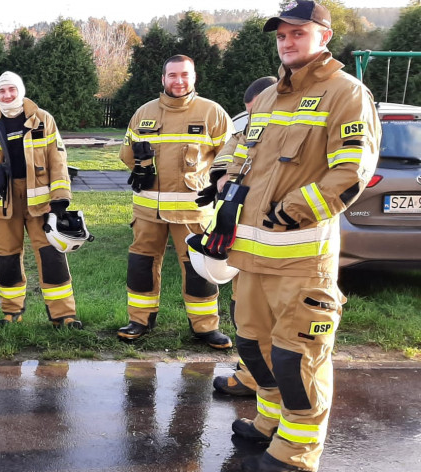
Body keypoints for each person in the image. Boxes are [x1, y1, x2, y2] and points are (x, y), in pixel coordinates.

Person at [205, 2, 379, 470]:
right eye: (281, 35)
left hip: (302, 262)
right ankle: (268, 424)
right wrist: (224, 177)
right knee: (254, 350)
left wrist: (290, 212)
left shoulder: (346, 93)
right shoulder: (267, 98)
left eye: (297, 33)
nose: (286, 42)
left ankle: (297, 452)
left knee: (296, 360)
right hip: (251, 256)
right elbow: (240, 148)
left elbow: (351, 172)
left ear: (323, 36)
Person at [117, 55, 233, 349]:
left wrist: (222, 186)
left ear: (194, 78)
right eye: (172, 75)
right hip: (147, 211)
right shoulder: (143, 112)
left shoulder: (212, 113)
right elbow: (126, 154)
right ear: (163, 79)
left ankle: (205, 327)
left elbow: (232, 156)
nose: (178, 81)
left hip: (192, 211)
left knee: (198, 267)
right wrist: (141, 168)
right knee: (141, 265)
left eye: (184, 75)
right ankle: (139, 320)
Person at [0, 72, 82, 329]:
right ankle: (11, 312)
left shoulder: (43, 120)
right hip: (2, 204)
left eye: (11, 90)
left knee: (52, 256)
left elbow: (57, 159)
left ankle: (64, 315)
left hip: (41, 204)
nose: (6, 95)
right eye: (1, 91)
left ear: (21, 90)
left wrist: (60, 197)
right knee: (7, 258)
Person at [206, 76, 278, 397]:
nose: (253, 120)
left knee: (270, 316)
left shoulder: (291, 131)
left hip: (278, 241)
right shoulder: (248, 128)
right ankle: (250, 372)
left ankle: (261, 381)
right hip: (245, 237)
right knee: (244, 310)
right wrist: (223, 183)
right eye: (250, 114)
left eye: (257, 112)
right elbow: (226, 161)